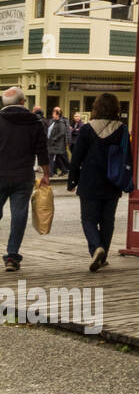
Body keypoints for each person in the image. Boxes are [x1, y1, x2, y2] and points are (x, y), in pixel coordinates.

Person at [67, 93, 132, 272]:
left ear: (96, 107)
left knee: (88, 219)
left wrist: (72, 180)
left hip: (90, 180)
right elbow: (128, 157)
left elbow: (77, 157)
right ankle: (103, 256)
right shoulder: (123, 129)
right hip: (113, 180)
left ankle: (97, 248)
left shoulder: (87, 129)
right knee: (107, 221)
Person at [0, 86, 51, 272]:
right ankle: (12, 256)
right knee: (19, 215)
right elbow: (42, 151)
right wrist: (46, 174)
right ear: (23, 102)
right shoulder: (34, 122)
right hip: (23, 176)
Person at [46, 106, 70, 178]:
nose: (52, 115)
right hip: (51, 142)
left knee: (51, 157)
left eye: (54, 114)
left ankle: (51, 173)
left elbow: (62, 132)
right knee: (58, 158)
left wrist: (54, 138)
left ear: (57, 115)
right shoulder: (53, 121)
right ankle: (64, 170)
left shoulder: (61, 122)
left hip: (57, 144)